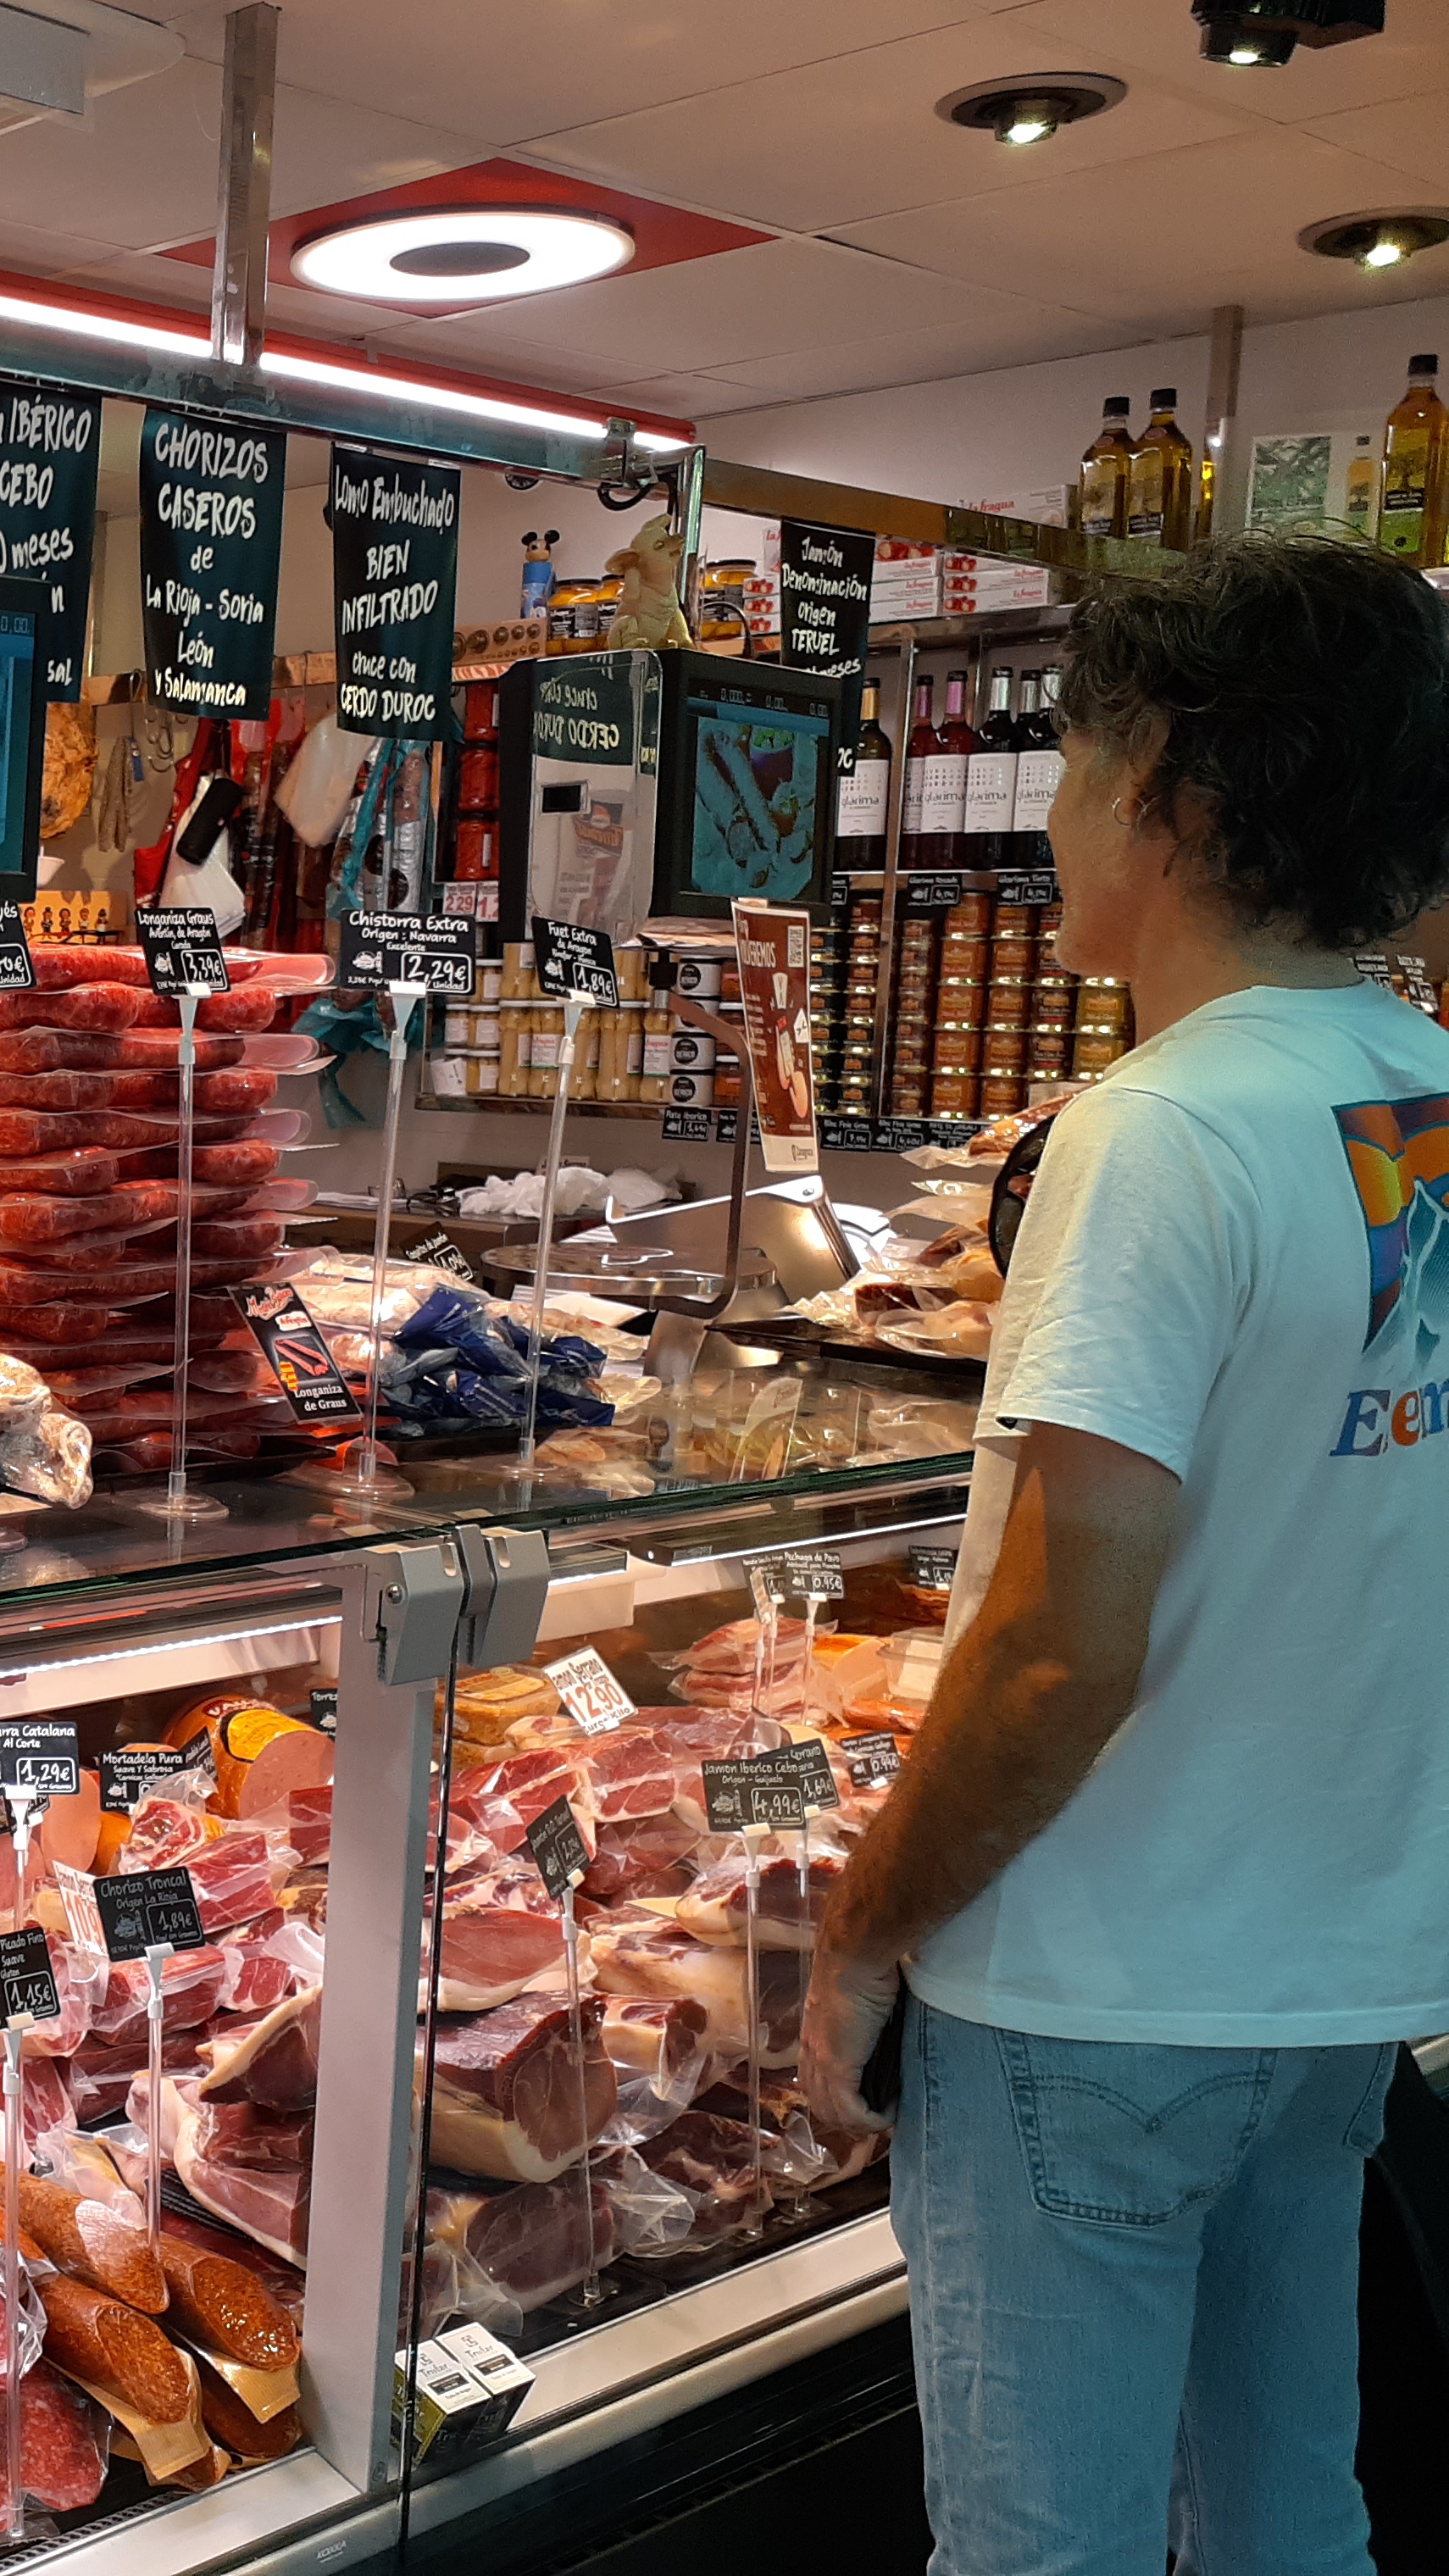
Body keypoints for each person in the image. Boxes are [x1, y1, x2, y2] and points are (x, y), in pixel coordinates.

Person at [802, 532, 1449, 2574]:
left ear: (1159, 783)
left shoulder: (1150, 1131)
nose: (1058, 814)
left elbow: (1058, 1646)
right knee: (1282, 2516)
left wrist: (860, 1934)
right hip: (1329, 1982)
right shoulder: (1422, 1097)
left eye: (1074, 758)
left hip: (1086, 1995)